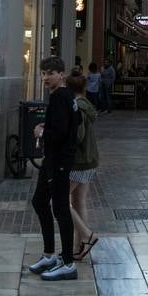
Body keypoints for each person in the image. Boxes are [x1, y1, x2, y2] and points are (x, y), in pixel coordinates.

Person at [29, 56, 79, 281]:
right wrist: (46, 125)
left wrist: (42, 132)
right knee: (39, 201)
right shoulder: (65, 96)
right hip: (53, 161)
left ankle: (68, 262)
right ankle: (49, 254)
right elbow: (68, 124)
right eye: (43, 73)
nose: (45, 77)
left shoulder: (60, 97)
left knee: (60, 209)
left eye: (50, 73)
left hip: (58, 162)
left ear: (61, 74)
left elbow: (59, 134)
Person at [65, 72, 99, 260]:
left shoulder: (76, 107)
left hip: (79, 162)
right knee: (79, 202)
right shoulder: (88, 105)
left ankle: (87, 235)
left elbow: (76, 136)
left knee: (59, 200)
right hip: (90, 160)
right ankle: (80, 246)